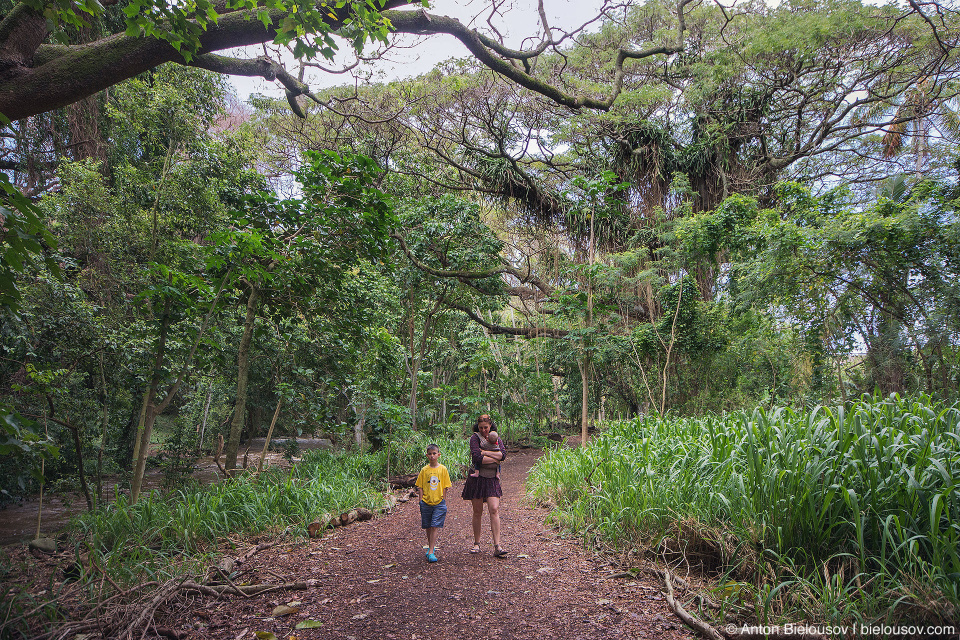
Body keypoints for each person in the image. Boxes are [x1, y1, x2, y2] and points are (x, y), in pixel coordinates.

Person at [461, 414, 507, 557]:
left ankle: (497, 546)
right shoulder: (474, 438)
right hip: (477, 478)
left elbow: (503, 455)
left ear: (490, 426)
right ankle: (476, 543)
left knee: (494, 509)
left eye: (486, 427)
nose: (483, 430)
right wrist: (495, 458)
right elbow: (477, 457)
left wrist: (487, 453)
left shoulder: (495, 437)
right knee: (477, 511)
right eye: (481, 428)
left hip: (492, 478)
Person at [415, 443, 452, 563]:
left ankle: (431, 551)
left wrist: (443, 499)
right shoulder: (424, 470)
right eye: (430, 454)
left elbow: (446, 486)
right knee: (428, 525)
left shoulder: (443, 469)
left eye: (434, 454)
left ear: (438, 455)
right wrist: (420, 501)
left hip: (439, 502)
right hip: (426, 502)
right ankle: (430, 547)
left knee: (435, 525)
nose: (432, 456)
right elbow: (420, 486)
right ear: (427, 455)